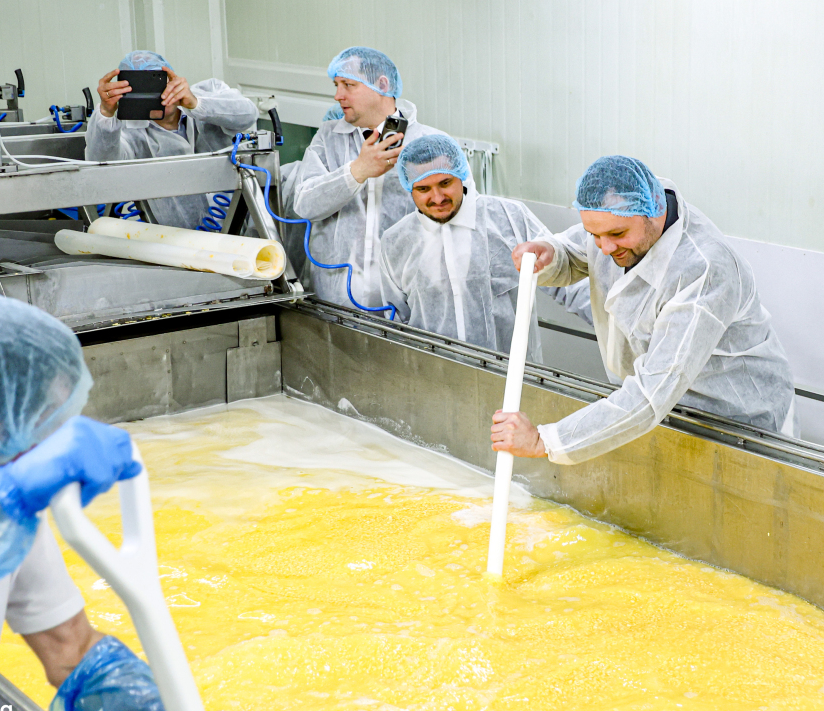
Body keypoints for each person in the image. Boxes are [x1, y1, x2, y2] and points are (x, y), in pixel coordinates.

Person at [0, 295, 238, 711]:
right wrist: (4, 499)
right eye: (42, 424)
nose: (50, 442)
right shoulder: (4, 500)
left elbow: (71, 649)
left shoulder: (7, 510)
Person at [492, 156, 796, 465]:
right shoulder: (619, 219)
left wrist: (543, 441)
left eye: (617, 235)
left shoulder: (703, 270)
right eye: (595, 235)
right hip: (666, 411)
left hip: (736, 422)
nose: (604, 248)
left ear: (655, 212)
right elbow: (575, 253)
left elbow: (652, 392)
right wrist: (550, 254)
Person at [292, 46, 450, 310]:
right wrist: (358, 171)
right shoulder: (328, 138)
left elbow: (456, 222)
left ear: (382, 85)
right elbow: (304, 204)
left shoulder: (431, 143)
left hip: (408, 304)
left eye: (349, 85)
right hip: (336, 302)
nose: (338, 95)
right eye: (336, 85)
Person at [379, 135, 545, 360]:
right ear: (409, 189)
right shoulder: (396, 242)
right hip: (433, 373)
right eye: (424, 188)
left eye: (445, 183)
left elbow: (566, 273)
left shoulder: (510, 217)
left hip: (510, 374)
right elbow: (398, 321)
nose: (437, 198)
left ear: (461, 175)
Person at [86, 50, 258, 230]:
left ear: (170, 78)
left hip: (242, 229)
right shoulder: (128, 131)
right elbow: (102, 166)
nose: (156, 94)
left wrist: (196, 104)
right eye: (142, 88)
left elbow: (248, 115)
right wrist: (106, 113)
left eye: (157, 82)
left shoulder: (208, 92)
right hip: (175, 238)